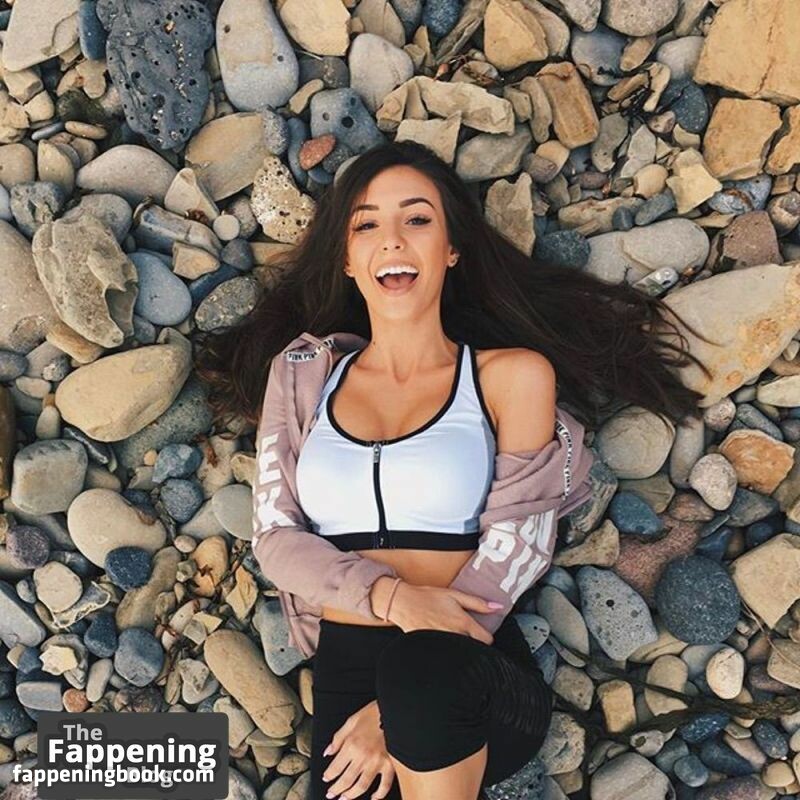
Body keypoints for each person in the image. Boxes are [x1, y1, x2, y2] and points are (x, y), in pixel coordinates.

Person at [195, 141, 713, 800]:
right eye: (366, 224)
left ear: (451, 250)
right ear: (347, 259)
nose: (392, 240)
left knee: (422, 673)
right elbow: (275, 538)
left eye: (417, 219)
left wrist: (395, 709)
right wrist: (392, 599)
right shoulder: (301, 376)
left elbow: (520, 545)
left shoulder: (510, 376)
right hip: (347, 676)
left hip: (472, 663)